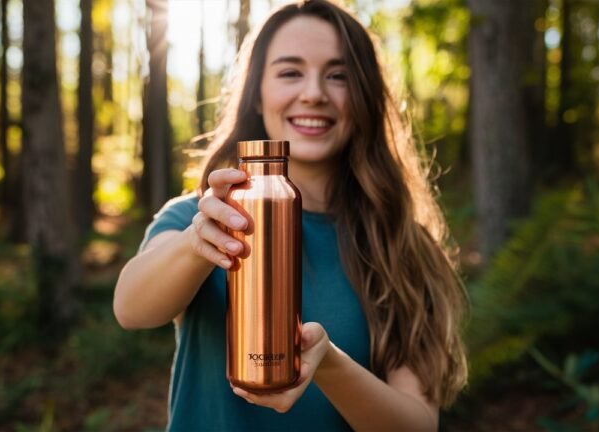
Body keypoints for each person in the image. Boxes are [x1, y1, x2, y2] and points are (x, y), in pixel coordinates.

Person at [114, 0, 468, 430]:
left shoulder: (400, 243)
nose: (314, 93)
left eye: (338, 75)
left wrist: (329, 364)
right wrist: (195, 244)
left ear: (365, 98)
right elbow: (131, 309)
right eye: (289, 72)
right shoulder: (201, 218)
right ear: (257, 98)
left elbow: (417, 424)